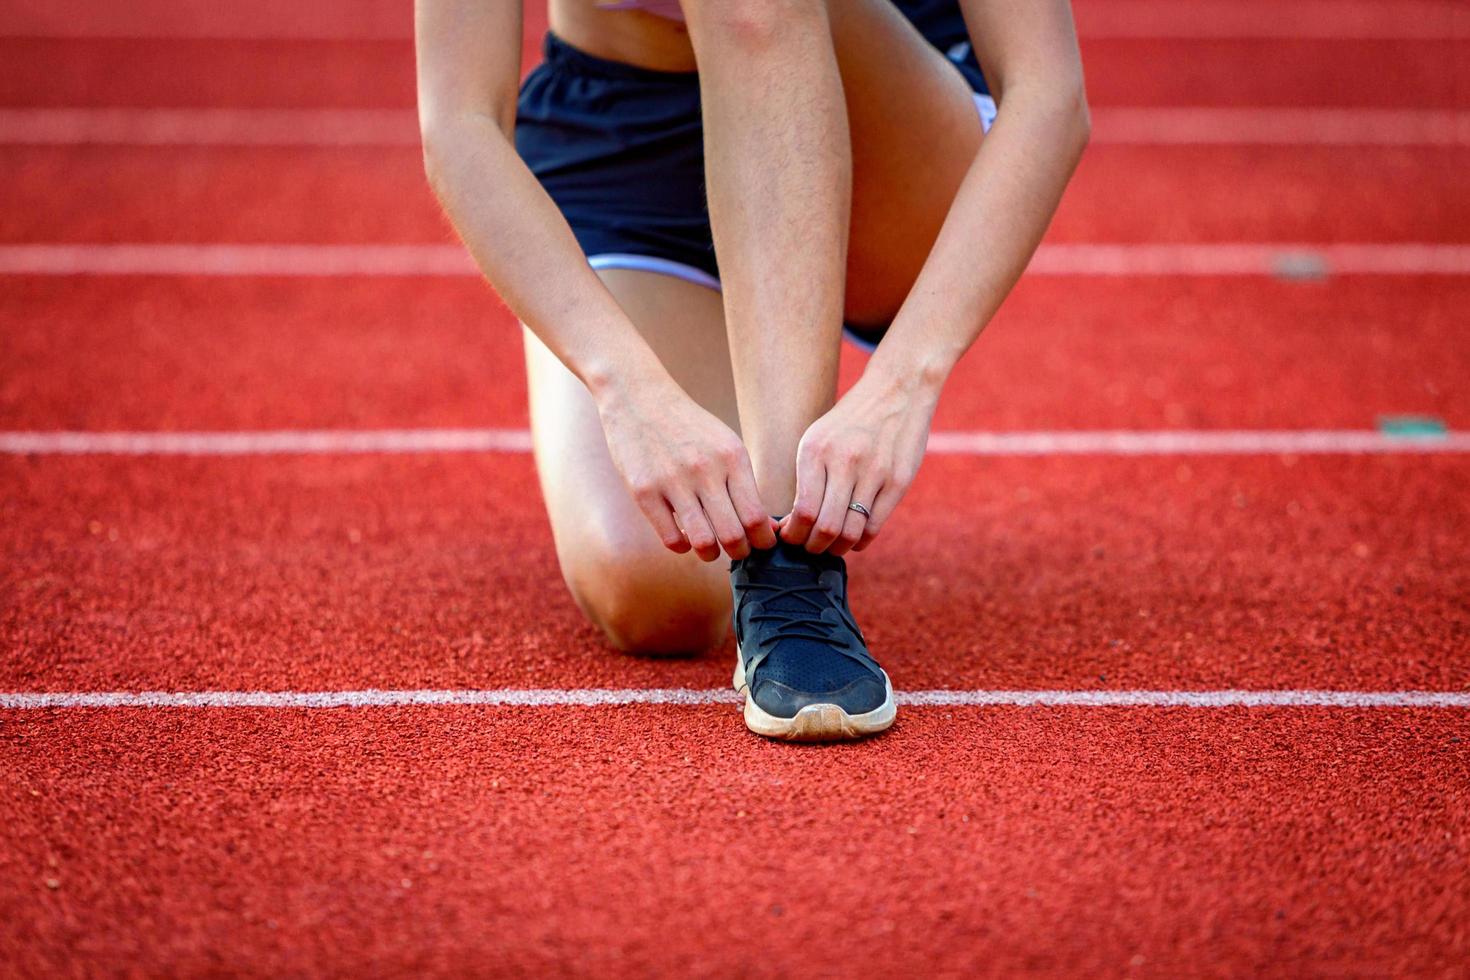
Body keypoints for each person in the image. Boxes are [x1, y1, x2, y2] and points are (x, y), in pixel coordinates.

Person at [415, 0, 1089, 740]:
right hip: (625, 144)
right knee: (652, 591)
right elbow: (460, 119)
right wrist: (625, 385)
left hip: (885, 125)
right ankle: (760, 541)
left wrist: (907, 381)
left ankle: (792, 575)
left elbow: (1047, 91)